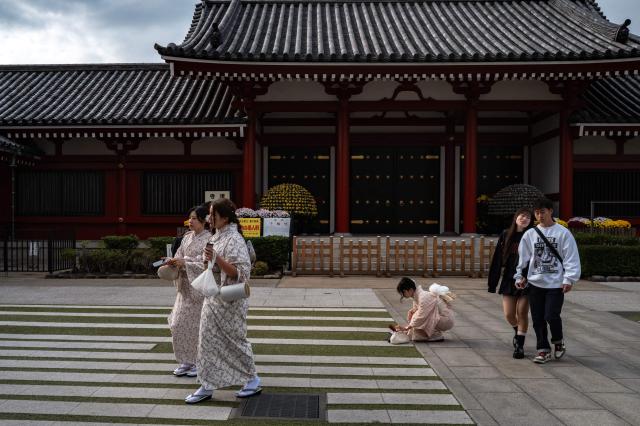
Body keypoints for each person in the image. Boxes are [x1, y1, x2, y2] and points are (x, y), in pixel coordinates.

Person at [185, 198, 261, 404]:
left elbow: (240, 273)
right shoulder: (218, 236)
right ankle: (207, 384)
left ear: (225, 217)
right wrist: (208, 260)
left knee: (235, 340)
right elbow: (212, 266)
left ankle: (251, 379)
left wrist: (216, 258)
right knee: (207, 341)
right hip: (214, 297)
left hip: (230, 299)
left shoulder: (234, 239)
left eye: (213, 214)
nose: (209, 218)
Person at [514, 197, 581, 364]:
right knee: (537, 318)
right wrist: (519, 276)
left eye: (542, 212)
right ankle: (543, 349)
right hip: (535, 282)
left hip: (556, 283)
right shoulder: (530, 234)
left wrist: (569, 279)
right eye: (536, 213)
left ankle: (558, 341)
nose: (539, 216)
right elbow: (523, 259)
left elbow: (571, 257)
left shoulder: (563, 233)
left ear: (550, 211)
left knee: (551, 315)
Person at [165, 205, 212, 377]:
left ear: (203, 220)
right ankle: (185, 360)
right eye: (189, 218)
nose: (190, 221)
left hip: (199, 289)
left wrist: (186, 263)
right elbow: (179, 255)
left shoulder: (210, 238)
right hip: (184, 288)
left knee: (197, 328)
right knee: (178, 324)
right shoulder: (186, 238)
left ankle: (199, 362)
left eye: (194, 218)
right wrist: (173, 261)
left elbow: (207, 263)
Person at [488, 207, 533, 359]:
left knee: (522, 312)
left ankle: (520, 345)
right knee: (509, 314)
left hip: (528, 279)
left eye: (528, 217)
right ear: (516, 218)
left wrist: (527, 277)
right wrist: (492, 284)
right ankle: (517, 331)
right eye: (522, 216)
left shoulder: (533, 235)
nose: (524, 219)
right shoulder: (506, 234)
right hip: (509, 278)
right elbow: (498, 258)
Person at [392, 277, 455, 342]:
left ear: (410, 290)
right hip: (440, 317)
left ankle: (435, 334)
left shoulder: (423, 297)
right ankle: (432, 334)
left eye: (404, 292)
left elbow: (421, 316)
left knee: (418, 316)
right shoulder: (418, 296)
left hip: (446, 320)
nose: (403, 295)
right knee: (414, 314)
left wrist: (407, 327)